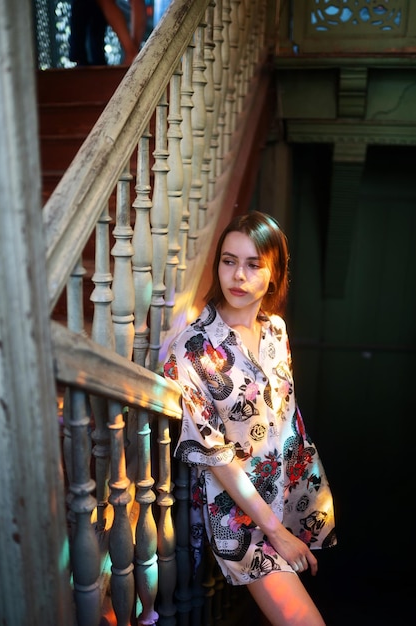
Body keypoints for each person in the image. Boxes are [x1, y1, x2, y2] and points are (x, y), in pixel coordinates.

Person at [163, 211, 336, 626]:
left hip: (291, 498)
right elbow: (215, 454)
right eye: (228, 261)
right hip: (242, 519)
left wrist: (301, 507)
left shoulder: (275, 330)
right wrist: (274, 530)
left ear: (274, 274)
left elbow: (287, 419)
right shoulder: (192, 349)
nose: (237, 275)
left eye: (253, 264)